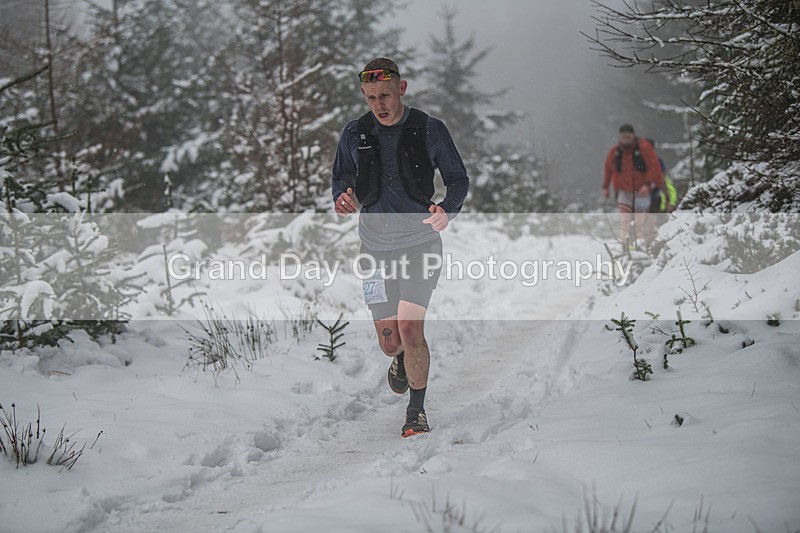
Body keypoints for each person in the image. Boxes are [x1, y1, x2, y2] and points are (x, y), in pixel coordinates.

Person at [331, 58, 469, 437]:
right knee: (390, 342)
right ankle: (400, 361)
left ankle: (416, 412)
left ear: (402, 89)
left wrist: (447, 209)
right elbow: (341, 174)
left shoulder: (429, 129)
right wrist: (341, 196)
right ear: (364, 94)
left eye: (386, 95)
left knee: (410, 330)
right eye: (372, 97)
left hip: (420, 245)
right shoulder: (355, 132)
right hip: (373, 251)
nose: (380, 104)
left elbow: (457, 178)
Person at [602, 124, 665, 246]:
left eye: (628, 137)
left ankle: (641, 247)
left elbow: (654, 167)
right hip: (623, 191)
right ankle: (625, 246)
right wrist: (605, 187)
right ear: (620, 137)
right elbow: (608, 169)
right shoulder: (615, 152)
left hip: (641, 191)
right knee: (625, 221)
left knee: (640, 222)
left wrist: (647, 184)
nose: (626, 140)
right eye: (623, 137)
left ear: (633, 136)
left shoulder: (644, 148)